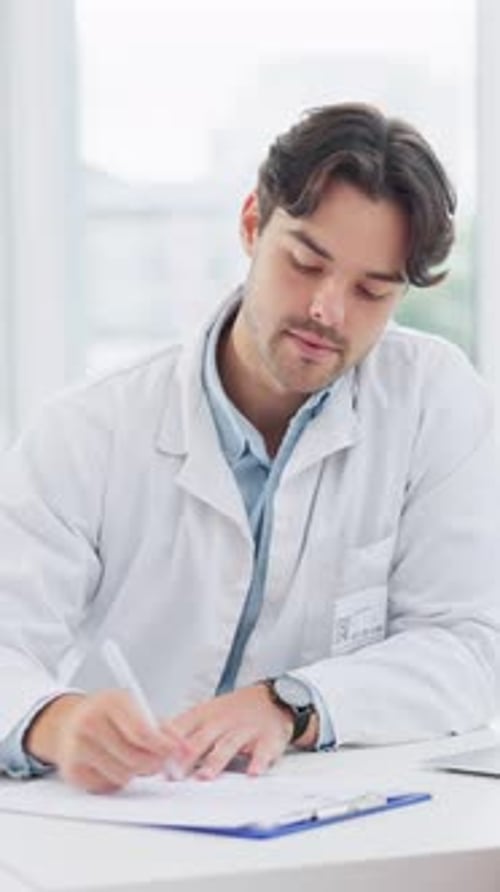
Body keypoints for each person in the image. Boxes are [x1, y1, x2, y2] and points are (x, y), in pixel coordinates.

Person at [1, 103, 500, 795]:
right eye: (305, 263)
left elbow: (468, 650)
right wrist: (53, 722)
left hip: (333, 822)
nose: (328, 310)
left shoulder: (432, 401)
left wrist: (292, 704)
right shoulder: (89, 430)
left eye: (371, 290)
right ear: (251, 225)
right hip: (120, 820)